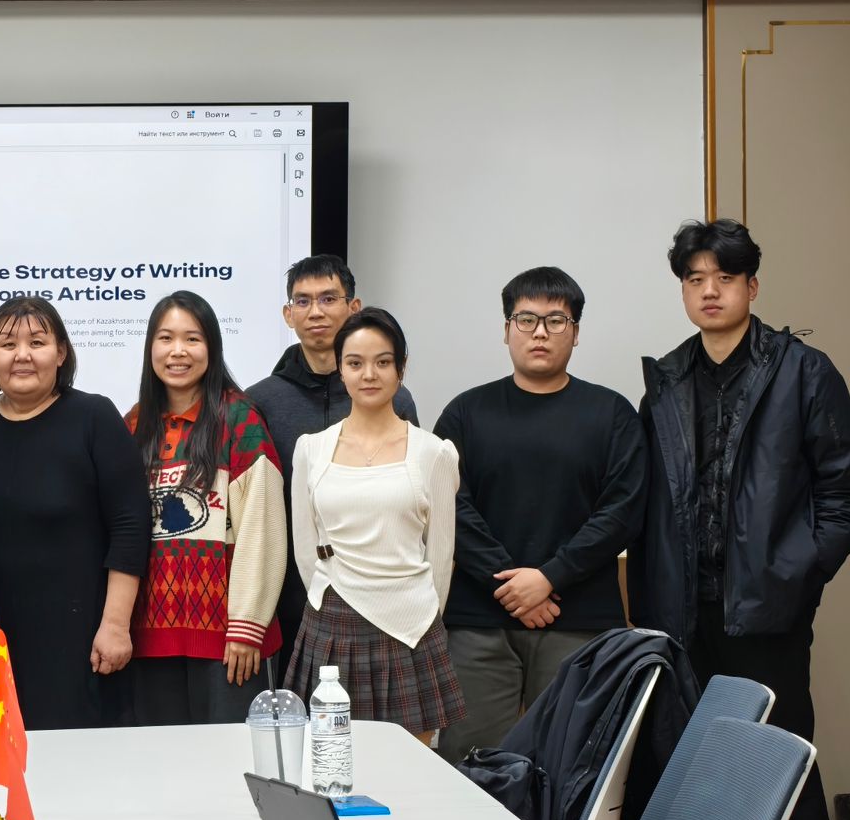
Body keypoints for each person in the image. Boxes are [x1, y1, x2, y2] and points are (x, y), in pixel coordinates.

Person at [632, 219, 850, 820]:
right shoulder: (667, 381)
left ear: (752, 287)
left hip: (765, 609)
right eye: (695, 279)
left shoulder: (802, 371)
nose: (709, 290)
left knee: (784, 758)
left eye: (724, 278)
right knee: (692, 760)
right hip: (681, 609)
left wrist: (792, 574)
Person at [433, 267, 646, 763]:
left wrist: (550, 577)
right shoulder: (465, 413)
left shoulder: (612, 415)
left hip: (580, 618)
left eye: (556, 320)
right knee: (473, 761)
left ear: (576, 332)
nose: (540, 332)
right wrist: (512, 587)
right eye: (526, 319)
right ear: (506, 329)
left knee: (571, 762)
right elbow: (449, 507)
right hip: (479, 622)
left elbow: (622, 512)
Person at [0, 297, 150, 729]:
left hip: (78, 636)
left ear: (60, 353)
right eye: (7, 344)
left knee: (74, 768)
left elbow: (130, 527)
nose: (22, 355)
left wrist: (115, 625)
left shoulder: (94, 416)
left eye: (36, 342)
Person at [286, 308, 465, 739]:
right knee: (331, 765)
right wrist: (332, 596)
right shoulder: (311, 449)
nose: (370, 374)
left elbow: (441, 558)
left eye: (383, 362)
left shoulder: (434, 452)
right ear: (341, 371)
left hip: (411, 626)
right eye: (355, 363)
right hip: (331, 621)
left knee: (415, 772)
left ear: (400, 370)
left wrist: (420, 616)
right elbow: (305, 551)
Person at [247, 254, 418, 667]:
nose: (316, 312)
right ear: (288, 315)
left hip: (382, 596)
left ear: (353, 307)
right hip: (289, 597)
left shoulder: (393, 398)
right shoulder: (260, 401)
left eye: (328, 298)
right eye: (302, 302)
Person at [125, 290, 285, 725]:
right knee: (159, 769)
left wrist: (248, 625)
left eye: (192, 339)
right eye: (165, 338)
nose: (178, 351)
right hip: (148, 638)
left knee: (227, 770)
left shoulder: (241, 420)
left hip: (229, 642)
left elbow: (263, 527)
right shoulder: (134, 425)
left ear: (211, 348)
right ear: (150, 348)